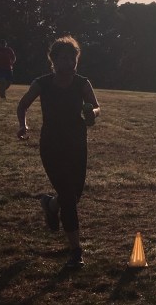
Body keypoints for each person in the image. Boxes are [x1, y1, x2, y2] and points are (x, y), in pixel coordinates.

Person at [16, 36, 100, 268]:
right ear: (53, 60)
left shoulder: (82, 83)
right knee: (69, 198)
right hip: (51, 145)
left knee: (74, 195)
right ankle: (76, 252)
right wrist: (23, 126)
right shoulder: (42, 83)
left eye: (72, 58)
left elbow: (96, 106)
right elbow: (23, 105)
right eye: (63, 58)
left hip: (77, 144)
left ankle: (51, 205)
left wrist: (92, 112)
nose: (69, 62)